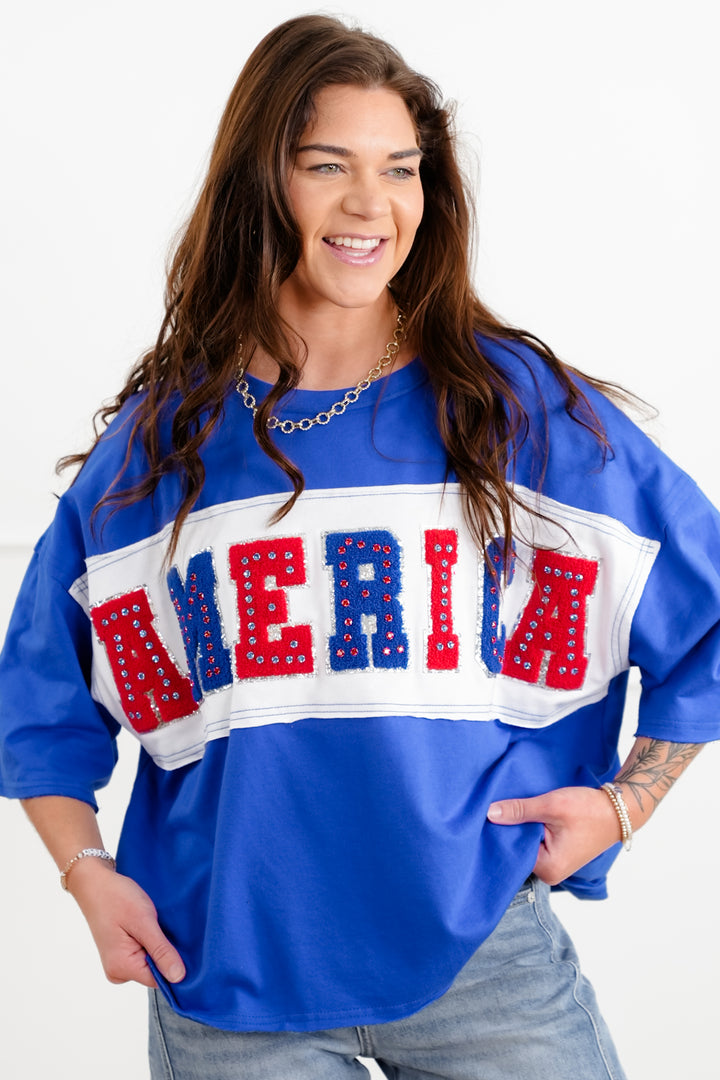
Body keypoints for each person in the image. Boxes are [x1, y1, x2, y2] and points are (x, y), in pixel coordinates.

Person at [0, 13, 718, 1079]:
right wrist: (87, 873)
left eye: (400, 169)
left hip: (487, 963)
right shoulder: (159, 449)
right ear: (261, 183)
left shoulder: (513, 413)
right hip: (228, 977)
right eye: (326, 165)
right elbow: (40, 707)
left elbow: (705, 617)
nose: (370, 204)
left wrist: (627, 802)